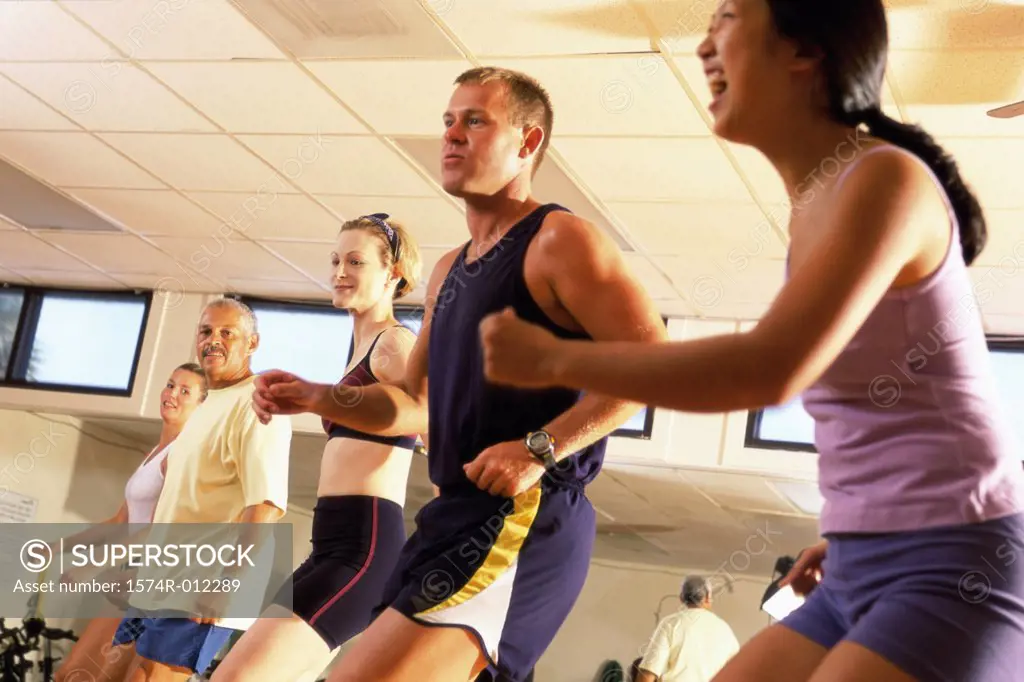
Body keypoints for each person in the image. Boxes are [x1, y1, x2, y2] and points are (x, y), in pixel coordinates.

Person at [477, 2, 1024, 681]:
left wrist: (554, 357)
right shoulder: (816, 206)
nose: (705, 45)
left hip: (952, 565)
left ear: (804, 51)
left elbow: (771, 369)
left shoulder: (886, 179)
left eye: (728, 18)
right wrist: (850, 525)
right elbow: (883, 410)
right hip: (856, 564)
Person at [251, 65, 667, 682]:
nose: (452, 135)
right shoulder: (449, 270)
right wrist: (319, 397)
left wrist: (539, 448)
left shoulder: (558, 240)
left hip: (522, 518)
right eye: (448, 120)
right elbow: (412, 403)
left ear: (527, 143)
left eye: (476, 121)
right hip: (449, 519)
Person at [208, 214, 422, 682]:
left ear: (393, 274)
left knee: (234, 678)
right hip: (332, 545)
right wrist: (301, 401)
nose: (340, 271)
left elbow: (427, 414)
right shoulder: (360, 352)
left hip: (363, 549)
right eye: (335, 260)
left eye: (355, 261)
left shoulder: (392, 343)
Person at [110, 298, 293, 682]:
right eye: (206, 331)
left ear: (253, 343)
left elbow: (265, 507)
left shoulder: (258, 407)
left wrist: (226, 583)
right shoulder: (208, 406)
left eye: (228, 333)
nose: (214, 340)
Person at [52, 364, 207, 682]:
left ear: (202, 406)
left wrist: (91, 566)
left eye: (185, 391)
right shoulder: (155, 452)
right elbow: (120, 520)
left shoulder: (185, 456)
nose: (171, 394)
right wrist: (55, 548)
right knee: (74, 675)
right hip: (130, 580)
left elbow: (155, 528)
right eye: (169, 384)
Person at [634, 576, 739, 682]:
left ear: (681, 598)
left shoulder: (670, 624)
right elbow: (739, 671)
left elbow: (647, 675)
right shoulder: (725, 629)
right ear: (707, 597)